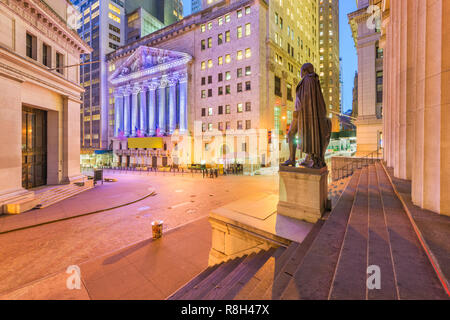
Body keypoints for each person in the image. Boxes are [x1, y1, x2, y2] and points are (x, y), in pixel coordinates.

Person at [283, 63, 331, 169]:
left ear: (304, 70)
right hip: (305, 114)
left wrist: (297, 112)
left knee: (291, 134)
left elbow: (303, 100)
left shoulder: (307, 80)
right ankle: (299, 158)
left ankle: (293, 159)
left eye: (301, 70)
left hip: (301, 114)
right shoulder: (313, 81)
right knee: (294, 134)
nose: (300, 73)